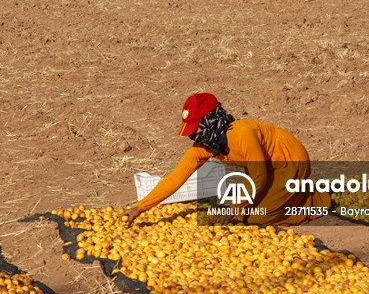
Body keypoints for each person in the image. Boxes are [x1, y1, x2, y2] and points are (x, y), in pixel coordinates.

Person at [122, 93, 330, 227]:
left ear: (212, 122)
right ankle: (290, 195)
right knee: (246, 211)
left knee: (257, 217)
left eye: (197, 130)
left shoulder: (242, 134)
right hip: (267, 171)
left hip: (291, 162)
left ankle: (316, 201)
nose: (194, 137)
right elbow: (176, 177)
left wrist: (234, 209)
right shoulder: (204, 147)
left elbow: (259, 177)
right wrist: (140, 208)